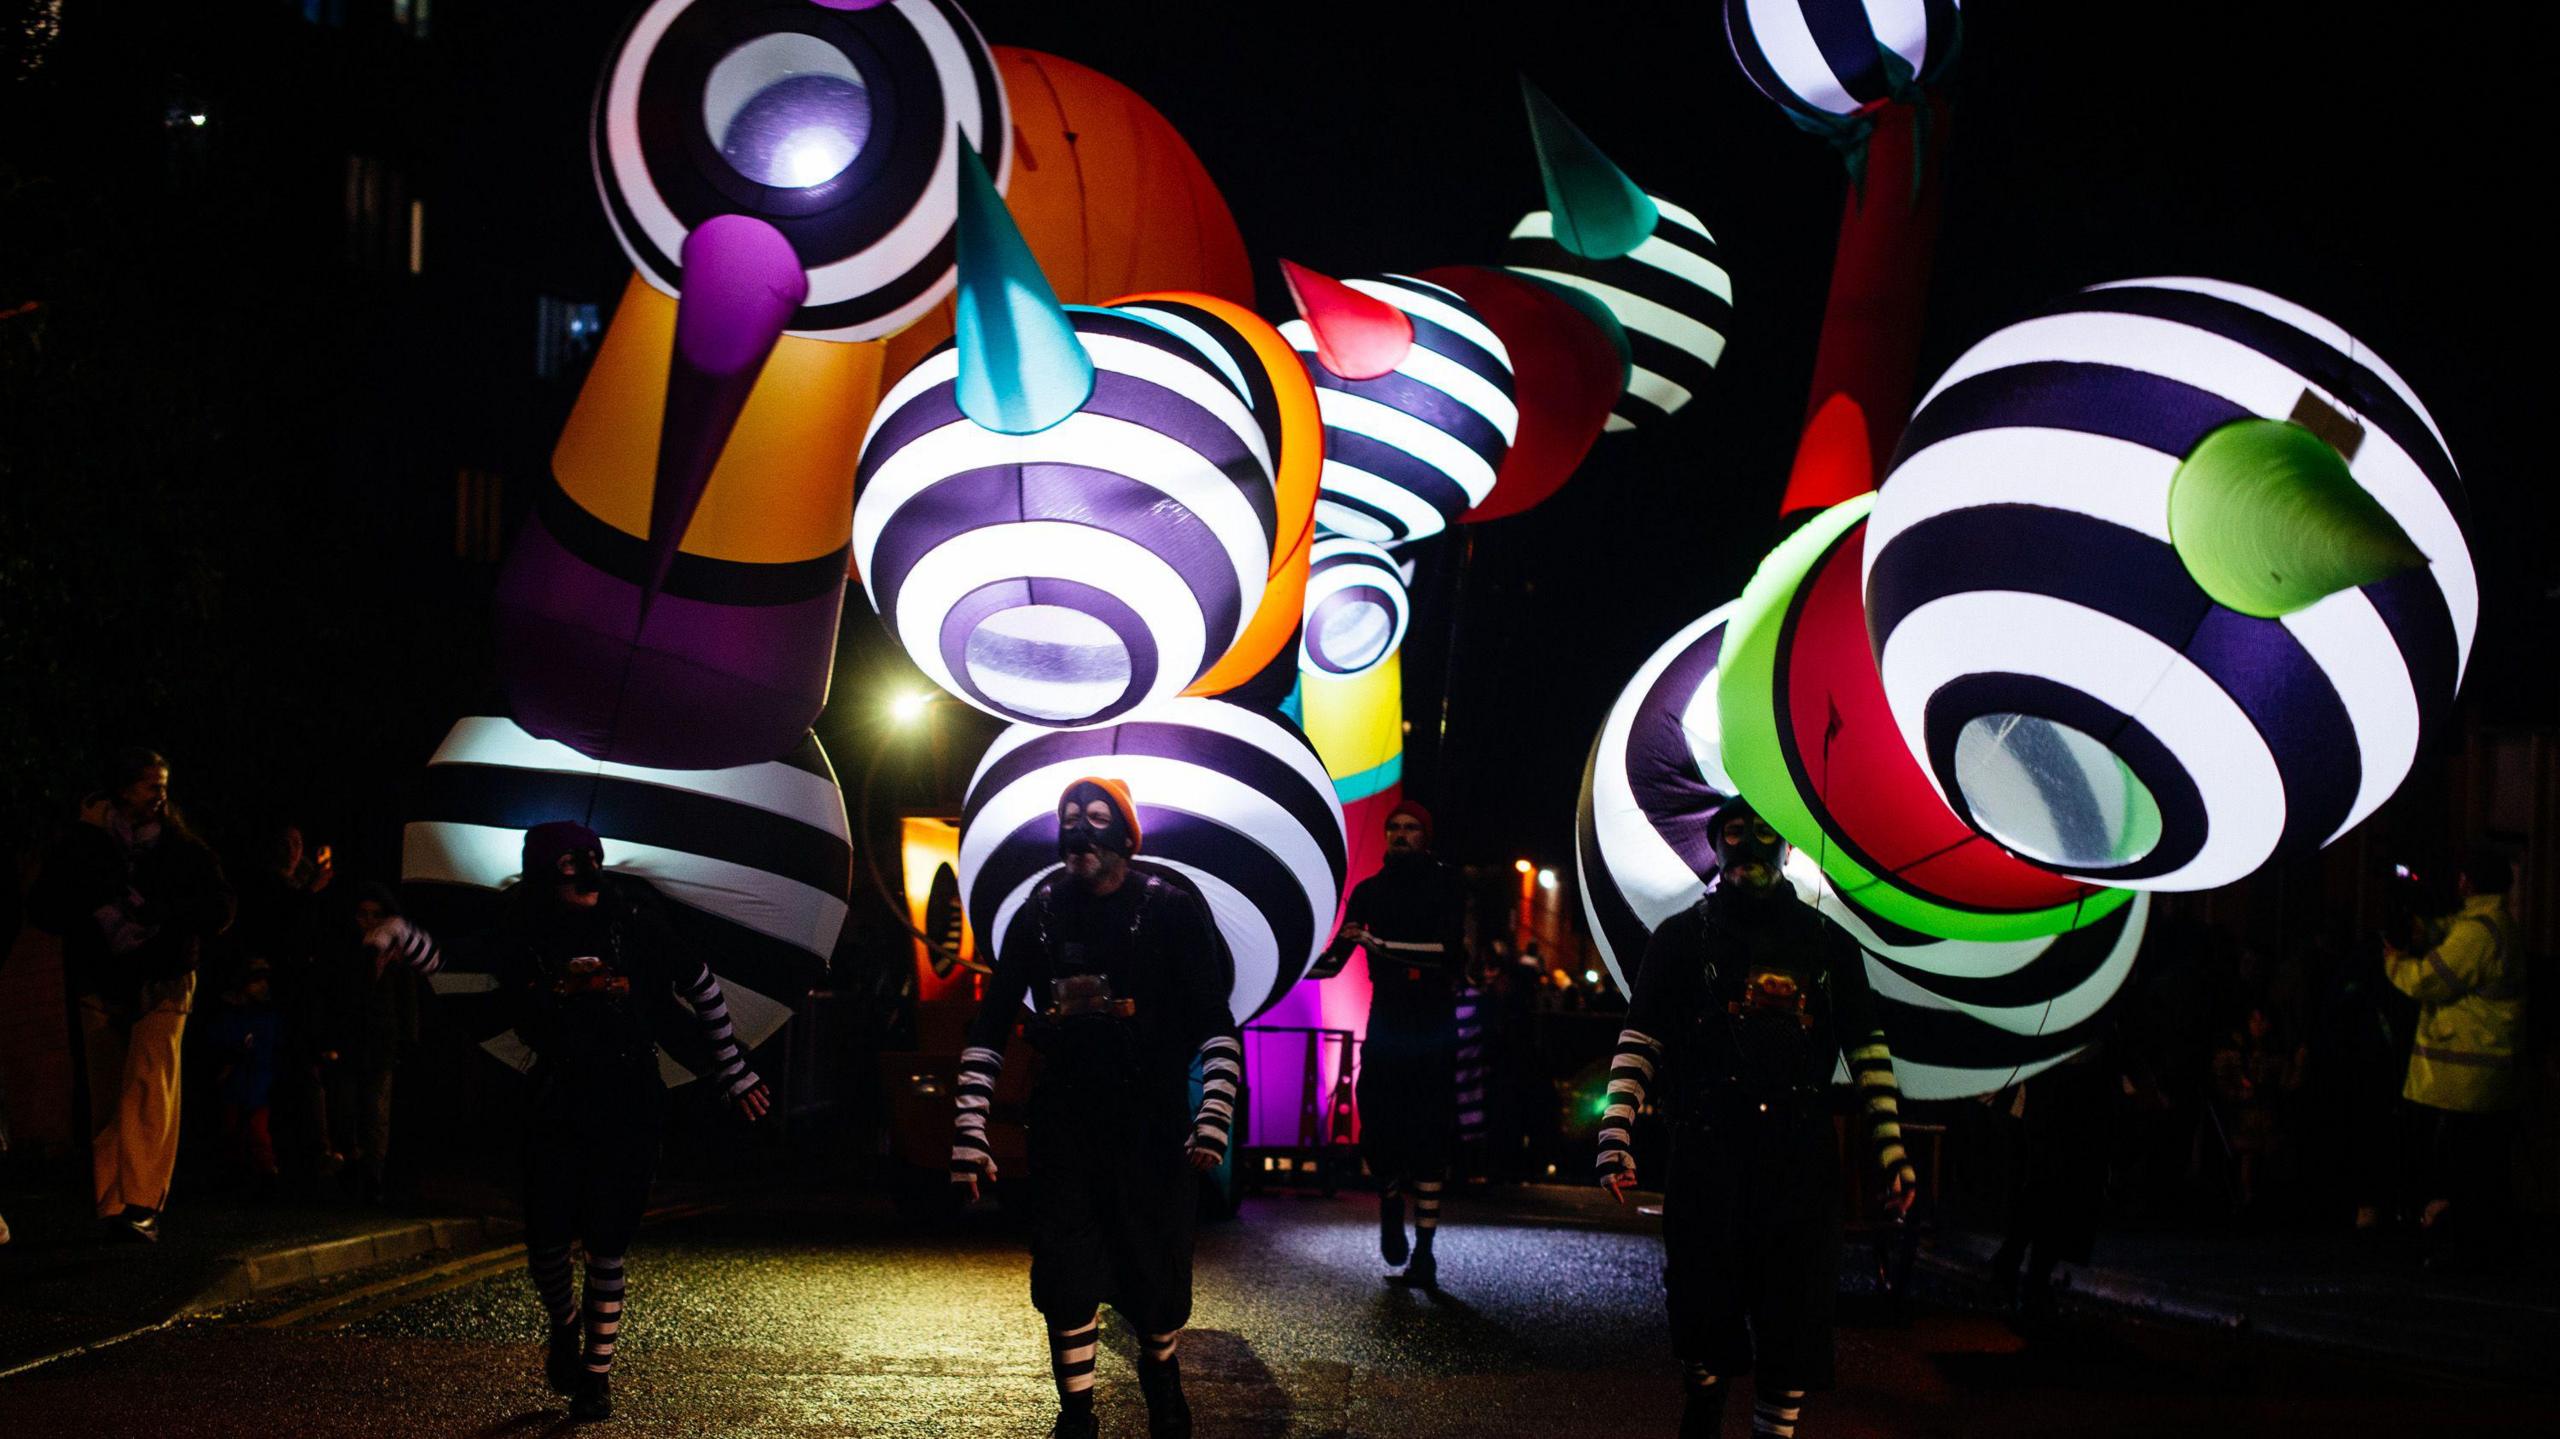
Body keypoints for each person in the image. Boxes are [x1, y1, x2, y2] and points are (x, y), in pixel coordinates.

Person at [369, 821, 771, 1422]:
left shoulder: (634, 920)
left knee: (609, 1243)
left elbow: (702, 986)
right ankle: (564, 1325)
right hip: (558, 1092)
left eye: (588, 868)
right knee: (547, 1241)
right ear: (543, 875)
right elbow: (455, 957)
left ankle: (596, 1377)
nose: (583, 884)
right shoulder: (523, 926)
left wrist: (734, 1069)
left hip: (631, 1093)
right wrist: (404, 935)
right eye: (568, 872)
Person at [1596, 795, 1916, 1439]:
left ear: (1789, 849)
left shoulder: (1829, 945)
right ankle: (1705, 1392)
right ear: (1714, 849)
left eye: (1764, 834)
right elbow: (1642, 1039)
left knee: (1795, 1313)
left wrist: (1892, 1149)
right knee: (1701, 1308)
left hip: (1799, 1158)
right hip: (1709, 1150)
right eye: (1733, 833)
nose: (1747, 847)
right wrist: (1615, 1131)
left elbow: (1868, 1051)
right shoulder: (1681, 939)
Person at [950, 778, 1238, 1439]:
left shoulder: (1169, 910)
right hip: (1067, 1119)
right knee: (1064, 1270)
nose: (1079, 831)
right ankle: (1076, 1415)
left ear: (1127, 835)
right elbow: (992, 1020)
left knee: (1154, 1273)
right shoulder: (1042, 911)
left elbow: (1214, 1021)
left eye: (1097, 818)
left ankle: (1161, 1376)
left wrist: (1214, 1109)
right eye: (1069, 818)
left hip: (1149, 1120)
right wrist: (969, 1126)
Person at [38, 748, 234, 1242]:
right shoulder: (88, 842)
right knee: (108, 1094)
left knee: (149, 1085)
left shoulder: (181, 846)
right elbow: (49, 903)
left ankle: (143, 1203)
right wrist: (86, 837)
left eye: (164, 784)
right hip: (102, 979)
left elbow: (219, 906)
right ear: (123, 790)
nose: (161, 795)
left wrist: (171, 922)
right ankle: (112, 1201)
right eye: (151, 784)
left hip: (164, 977)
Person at [1318, 799, 1465, 1287]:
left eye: (1410, 828)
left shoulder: (1446, 886)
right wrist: (1279, 966)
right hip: (1386, 1020)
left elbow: (1447, 953)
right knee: (1378, 1125)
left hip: (1433, 1021)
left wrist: (1378, 946)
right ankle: (1388, 1197)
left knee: (1429, 1133)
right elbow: (1336, 958)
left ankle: (1424, 1252)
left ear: (1426, 835)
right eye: (1393, 828)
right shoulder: (1368, 892)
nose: (1400, 836)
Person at [2382, 847, 2524, 1260]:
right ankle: (2477, 1247)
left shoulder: (2478, 934)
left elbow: (2429, 980)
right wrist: (2421, 926)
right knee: (2482, 1173)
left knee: (2463, 1174)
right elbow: (2449, 930)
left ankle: (2462, 1248)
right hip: (2481, 1082)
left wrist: (2395, 960)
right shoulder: (2490, 925)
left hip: (2465, 1084)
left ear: (2468, 882)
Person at [326, 884, 426, 1204]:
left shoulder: (396, 953)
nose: (368, 921)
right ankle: (352, 1168)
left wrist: (406, 1040)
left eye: (375, 915)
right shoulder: (345, 951)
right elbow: (337, 996)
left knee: (376, 1110)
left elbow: (406, 1000)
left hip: (381, 1041)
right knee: (345, 1108)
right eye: (363, 915)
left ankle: (372, 1177)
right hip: (349, 1039)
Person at [203, 956, 284, 1192]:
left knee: (259, 1136)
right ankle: (235, 1180)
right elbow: (218, 1044)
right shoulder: (228, 1016)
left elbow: (271, 1049)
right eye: (257, 981)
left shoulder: (267, 1017)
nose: (263, 986)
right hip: (234, 1087)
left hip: (258, 1087)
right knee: (232, 1136)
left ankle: (266, 1180)